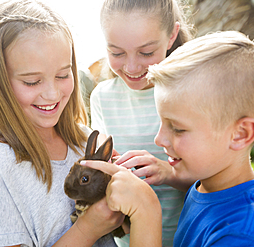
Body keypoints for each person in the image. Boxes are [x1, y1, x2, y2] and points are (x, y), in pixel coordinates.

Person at [82, 31, 254, 246]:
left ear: (240, 134)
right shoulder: (202, 188)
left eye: (177, 129)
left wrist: (145, 212)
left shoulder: (251, 234)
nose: (159, 139)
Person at [0, 0, 123, 246]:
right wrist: (87, 229)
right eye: (32, 81)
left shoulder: (83, 139)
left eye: (62, 75)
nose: (52, 94)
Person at [89, 0, 195, 245]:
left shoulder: (191, 92)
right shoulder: (103, 97)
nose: (132, 67)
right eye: (116, 53)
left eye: (146, 52)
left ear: (171, 37)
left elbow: (217, 178)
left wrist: (169, 173)